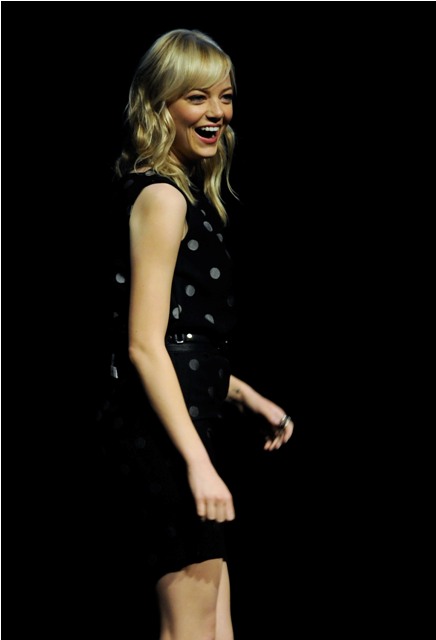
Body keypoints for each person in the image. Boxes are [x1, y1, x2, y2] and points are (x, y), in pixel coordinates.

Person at [100, 28, 294, 640]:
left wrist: (246, 395)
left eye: (225, 97)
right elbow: (142, 344)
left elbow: (186, 339)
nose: (216, 113)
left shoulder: (181, 193)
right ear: (160, 103)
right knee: (191, 629)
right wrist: (198, 464)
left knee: (214, 626)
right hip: (165, 435)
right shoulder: (162, 197)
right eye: (197, 97)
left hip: (189, 424)